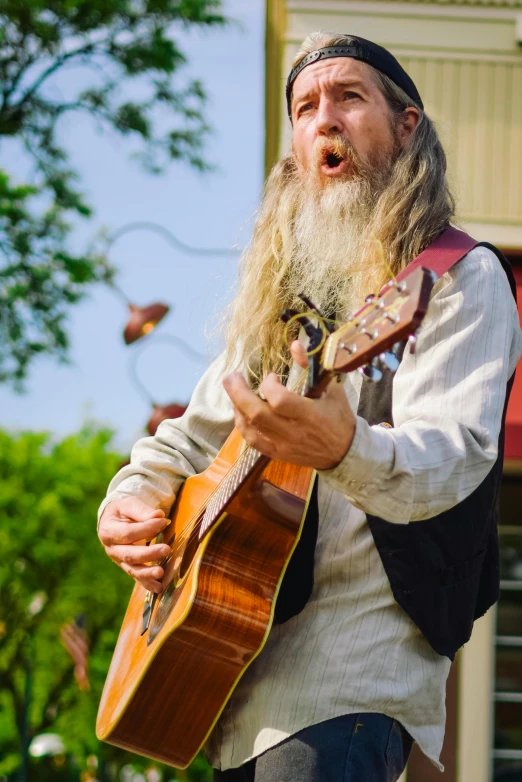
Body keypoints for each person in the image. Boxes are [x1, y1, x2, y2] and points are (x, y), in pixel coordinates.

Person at [97, 31, 522, 782]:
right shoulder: (281, 307)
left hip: (354, 679)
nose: (323, 118)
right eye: (305, 107)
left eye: (348, 97)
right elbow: (182, 445)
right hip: (229, 685)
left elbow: (456, 459)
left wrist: (345, 449)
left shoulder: (457, 278)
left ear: (406, 126)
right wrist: (130, 502)